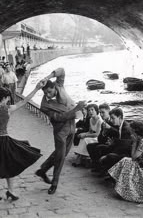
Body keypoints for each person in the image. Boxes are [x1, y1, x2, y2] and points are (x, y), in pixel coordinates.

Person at [32, 67, 86, 195]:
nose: (48, 95)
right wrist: (77, 108)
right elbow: (60, 118)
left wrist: (47, 77)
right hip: (60, 131)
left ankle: (43, 170)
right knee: (60, 157)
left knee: (60, 153)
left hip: (72, 126)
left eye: (49, 92)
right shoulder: (45, 106)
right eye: (45, 93)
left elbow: (62, 70)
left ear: (54, 87)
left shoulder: (59, 85)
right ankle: (54, 183)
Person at [98, 107, 132, 173]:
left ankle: (111, 175)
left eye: (113, 118)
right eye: (111, 118)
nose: (111, 120)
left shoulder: (126, 128)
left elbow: (124, 146)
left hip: (127, 153)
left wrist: (113, 144)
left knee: (110, 156)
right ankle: (106, 171)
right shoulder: (119, 126)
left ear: (119, 117)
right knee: (100, 148)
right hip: (120, 149)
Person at [87, 103, 118, 171]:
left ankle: (103, 168)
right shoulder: (104, 122)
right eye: (100, 112)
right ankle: (97, 166)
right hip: (106, 142)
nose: (101, 114)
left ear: (108, 111)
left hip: (114, 144)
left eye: (103, 112)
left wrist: (109, 128)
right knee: (90, 146)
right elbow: (99, 138)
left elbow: (118, 132)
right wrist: (103, 133)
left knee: (99, 147)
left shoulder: (113, 120)